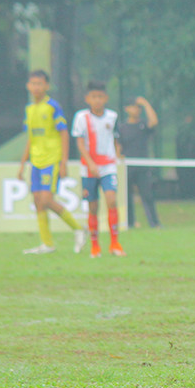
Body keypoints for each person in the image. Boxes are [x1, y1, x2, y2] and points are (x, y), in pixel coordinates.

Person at [18, 70, 85, 255]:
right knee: (38, 201)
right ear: (28, 86)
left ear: (46, 86)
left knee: (47, 200)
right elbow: (30, 138)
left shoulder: (53, 106)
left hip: (51, 160)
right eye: (33, 83)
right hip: (36, 161)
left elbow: (63, 132)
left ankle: (78, 228)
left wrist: (63, 161)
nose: (36, 87)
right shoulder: (29, 109)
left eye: (39, 84)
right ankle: (47, 244)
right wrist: (23, 164)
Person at [72, 82, 125, 257]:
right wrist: (91, 163)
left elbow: (116, 138)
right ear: (88, 99)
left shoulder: (112, 116)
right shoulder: (81, 118)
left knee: (111, 199)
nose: (97, 100)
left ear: (106, 98)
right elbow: (80, 143)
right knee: (93, 206)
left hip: (108, 166)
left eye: (100, 96)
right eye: (94, 97)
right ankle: (95, 245)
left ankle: (115, 243)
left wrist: (118, 154)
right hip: (89, 168)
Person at [116, 96, 161, 229]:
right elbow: (118, 145)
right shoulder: (122, 127)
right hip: (127, 167)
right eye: (133, 106)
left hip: (142, 166)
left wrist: (146, 103)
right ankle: (130, 223)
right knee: (127, 196)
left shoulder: (143, 125)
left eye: (138, 107)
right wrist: (118, 159)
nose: (136, 110)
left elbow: (153, 121)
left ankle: (154, 223)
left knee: (147, 195)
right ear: (126, 109)